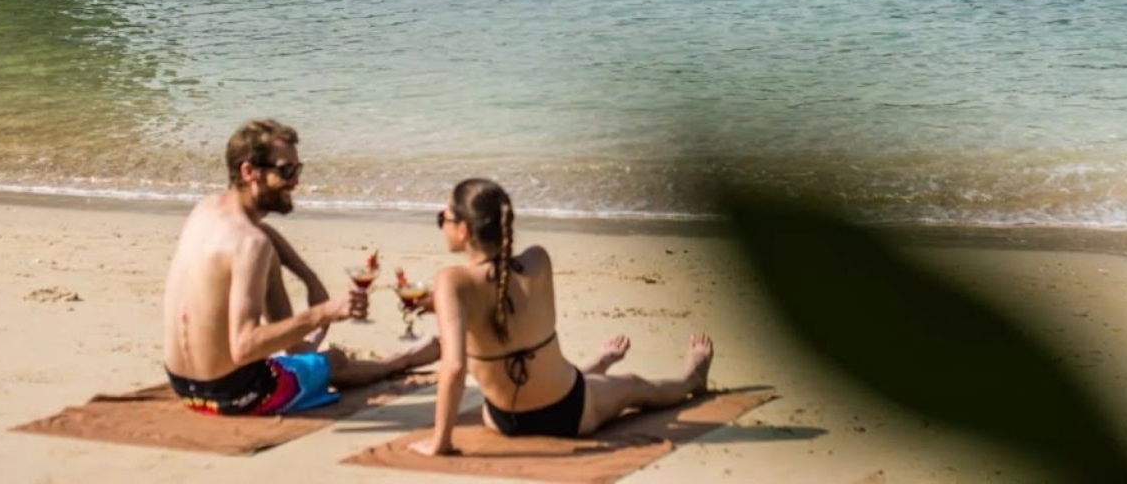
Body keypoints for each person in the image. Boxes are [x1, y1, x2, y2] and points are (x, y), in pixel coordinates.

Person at [411, 178, 713, 455]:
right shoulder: (538, 260)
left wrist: (441, 443)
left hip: (502, 418)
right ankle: (691, 379)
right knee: (635, 386)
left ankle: (597, 366)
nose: (442, 225)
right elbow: (504, 309)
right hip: (569, 413)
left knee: (565, 375)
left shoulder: (451, 283)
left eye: (443, 219)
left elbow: (456, 364)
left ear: (463, 230)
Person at [161, 118, 437, 415]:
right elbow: (244, 347)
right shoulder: (251, 245)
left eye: (297, 169)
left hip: (182, 385)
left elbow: (261, 234)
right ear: (249, 172)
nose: (296, 181)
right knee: (335, 361)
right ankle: (403, 359)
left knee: (269, 262)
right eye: (286, 170)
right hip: (235, 395)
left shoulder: (209, 208)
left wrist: (308, 278)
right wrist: (326, 312)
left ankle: (298, 350)